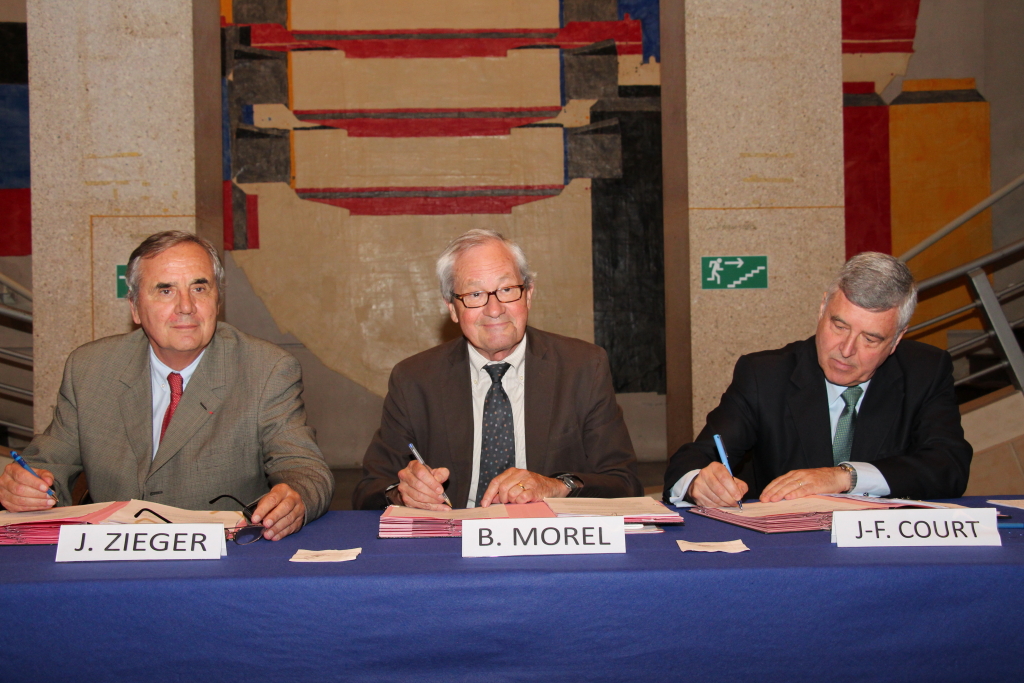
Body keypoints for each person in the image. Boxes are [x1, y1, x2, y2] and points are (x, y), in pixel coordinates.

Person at [0, 231, 333, 540]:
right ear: (134, 307)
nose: (186, 307)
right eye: (165, 290)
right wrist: (27, 485)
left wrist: (297, 497)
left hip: (222, 563)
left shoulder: (266, 369)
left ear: (218, 301)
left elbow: (305, 468)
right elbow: (48, 464)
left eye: (200, 288)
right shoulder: (90, 369)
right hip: (111, 561)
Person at [354, 229, 642, 510]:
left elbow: (625, 482)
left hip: (548, 539)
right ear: (452, 309)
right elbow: (370, 489)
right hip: (452, 540)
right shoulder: (415, 379)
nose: (494, 309)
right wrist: (404, 494)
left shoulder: (582, 367)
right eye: (475, 294)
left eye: (506, 290)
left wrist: (557, 486)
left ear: (528, 295)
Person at [665, 252, 972, 508]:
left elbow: (949, 466)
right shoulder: (765, 375)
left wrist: (845, 477)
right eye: (839, 326)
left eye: (870, 339)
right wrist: (697, 483)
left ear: (896, 339)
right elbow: (695, 457)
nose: (846, 350)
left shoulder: (926, 371)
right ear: (823, 307)